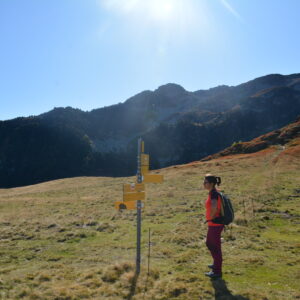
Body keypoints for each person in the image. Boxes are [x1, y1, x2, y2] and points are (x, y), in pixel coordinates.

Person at [203, 174, 224, 279]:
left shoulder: (214, 194)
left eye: (205, 182)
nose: (204, 184)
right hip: (215, 224)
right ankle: (216, 264)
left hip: (215, 224)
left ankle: (217, 271)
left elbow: (214, 207)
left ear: (211, 184)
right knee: (212, 244)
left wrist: (210, 218)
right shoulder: (213, 193)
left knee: (213, 246)